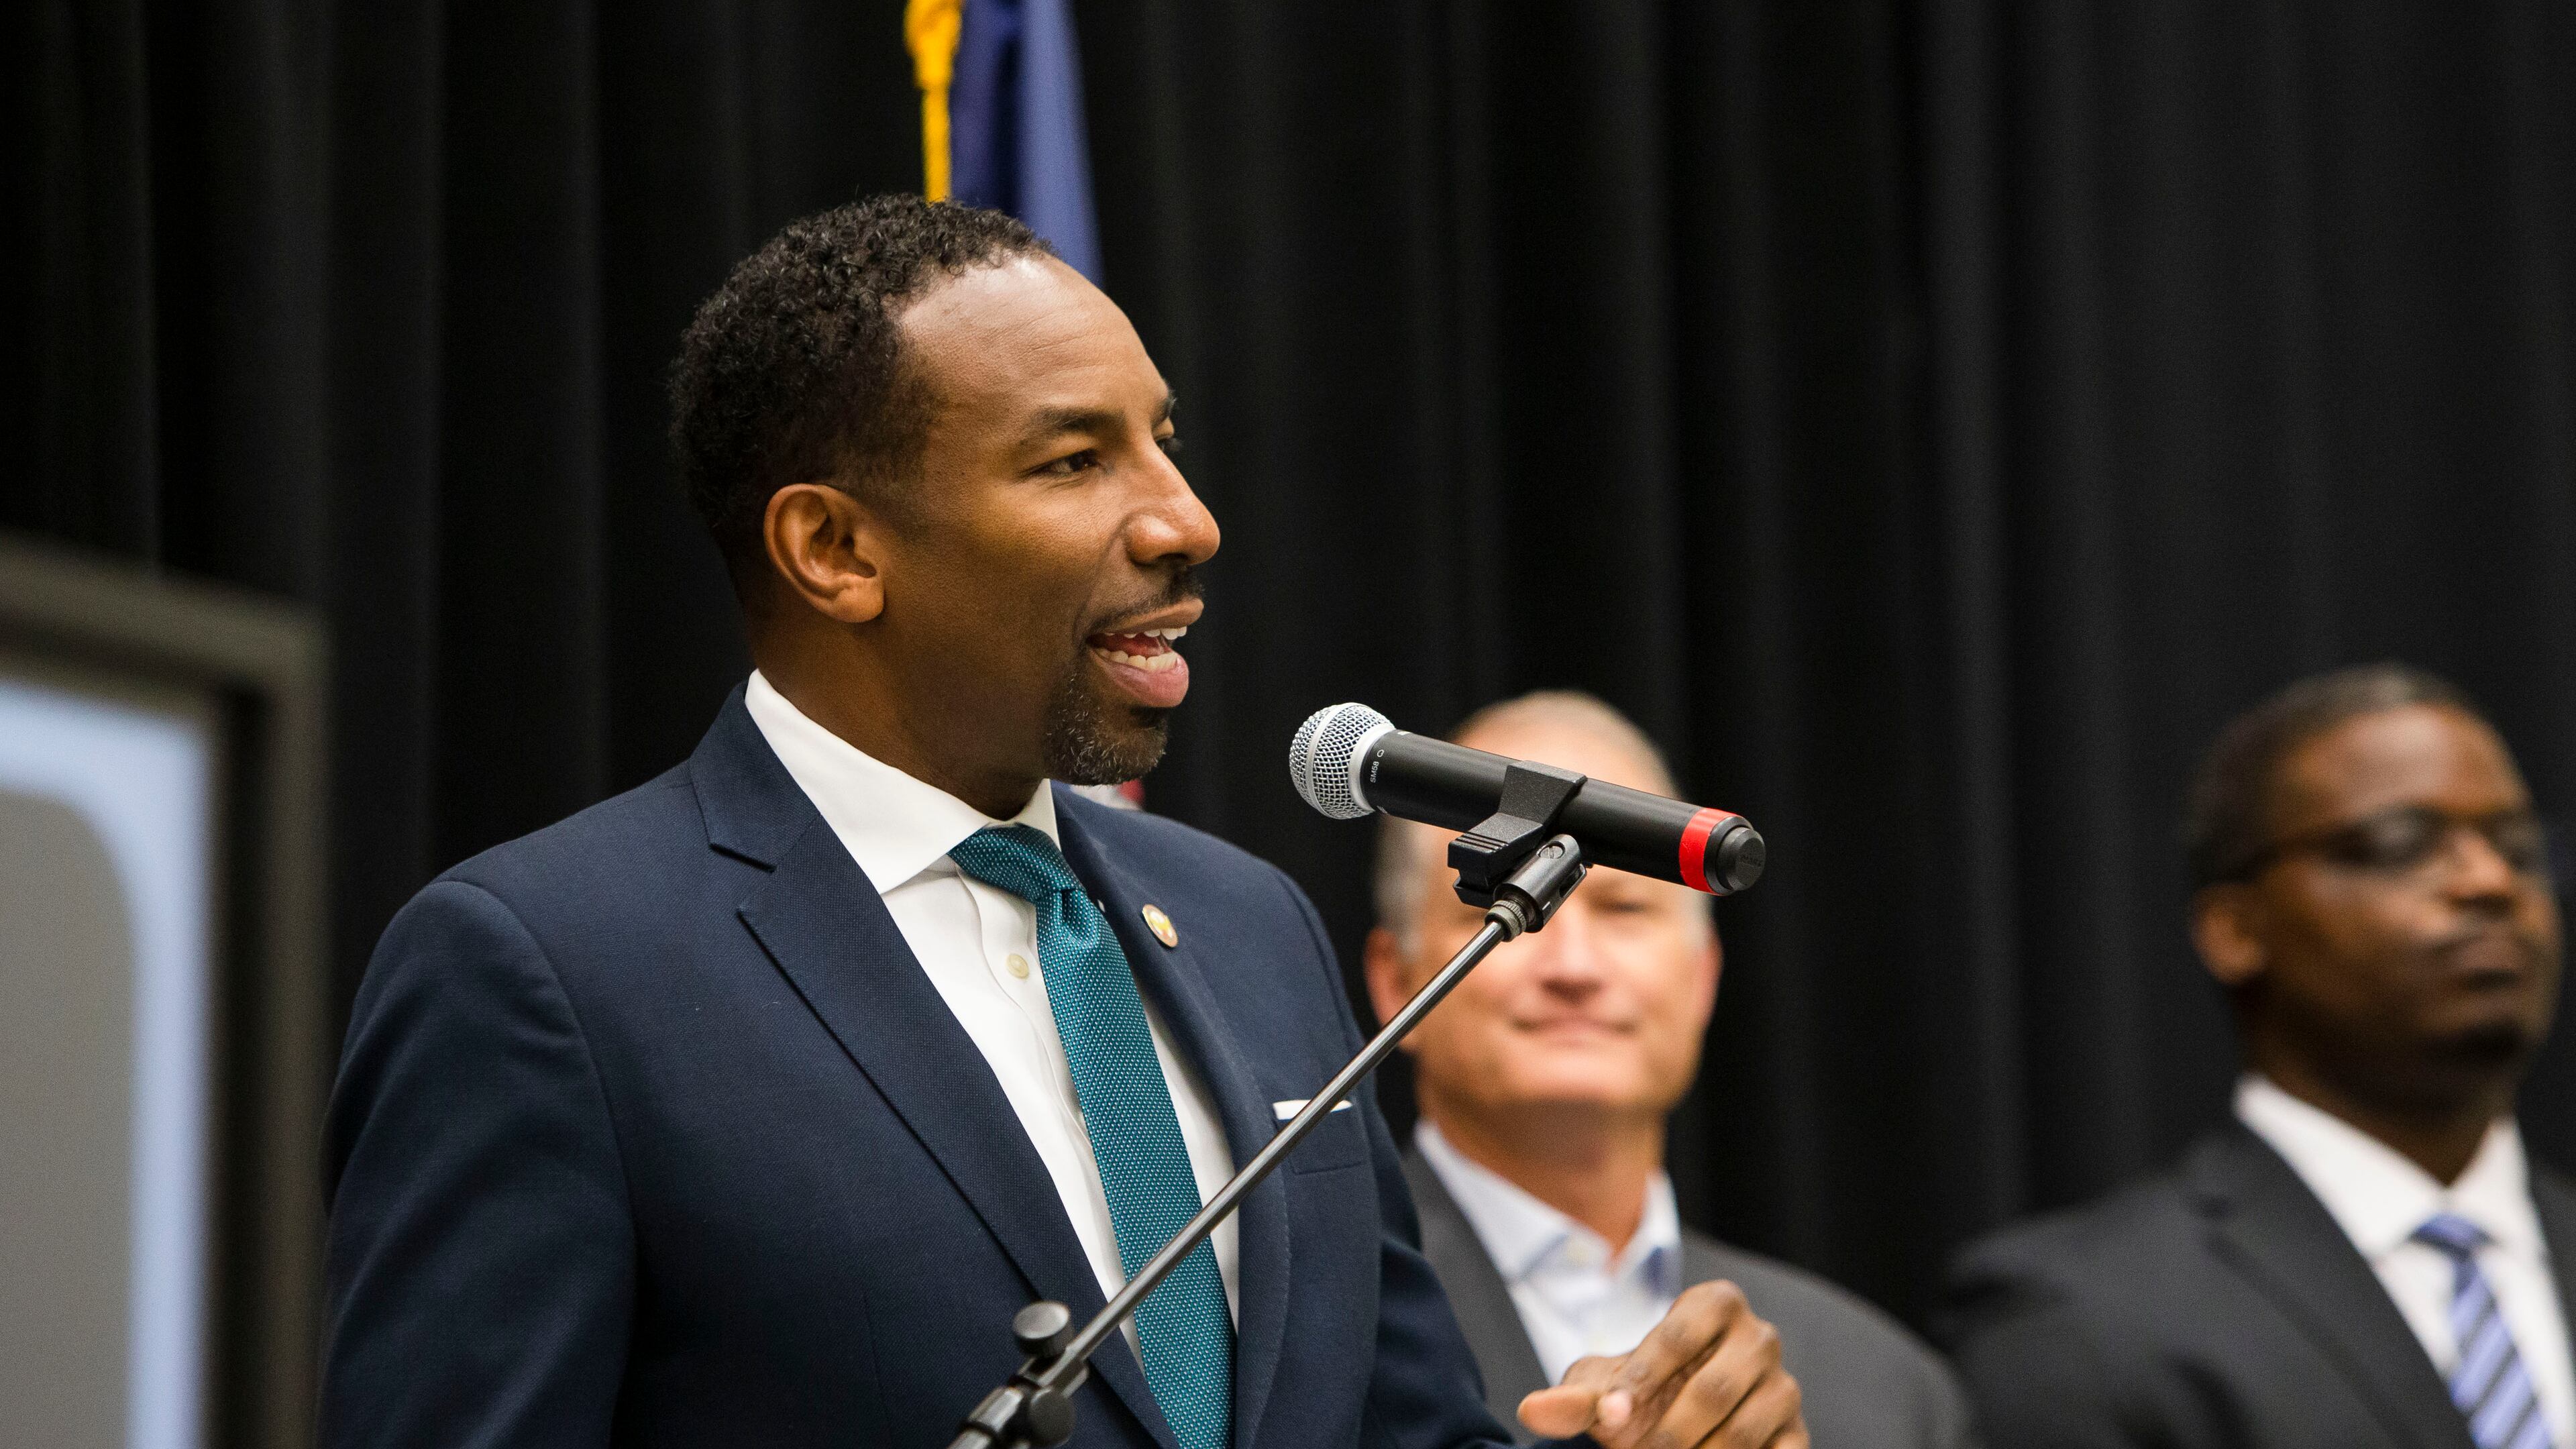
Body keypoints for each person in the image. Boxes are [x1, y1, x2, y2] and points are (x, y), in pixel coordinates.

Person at [319, 196, 1808, 1449]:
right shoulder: (549, 970)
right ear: (834, 548)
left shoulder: (1244, 926)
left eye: (1163, 439)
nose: (1186, 519)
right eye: (1074, 461)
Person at [1941, 663, 2573, 1449]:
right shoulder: (2078, 1319)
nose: (2489, 881)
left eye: (2517, 846)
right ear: (2236, 930)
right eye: (2399, 843)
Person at [1364, 690, 1976, 1448]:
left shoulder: (1883, 1387)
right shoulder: (1315, 1319)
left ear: (1703, 975)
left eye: (1624, 909)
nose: (1574, 966)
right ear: (1396, 982)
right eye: (1505, 902)